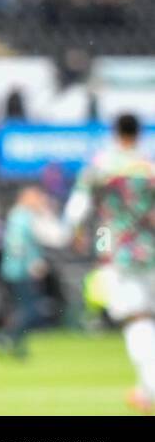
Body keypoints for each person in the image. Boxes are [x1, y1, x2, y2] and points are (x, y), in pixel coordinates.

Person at [64, 114, 155, 413]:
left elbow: (77, 207)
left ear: (116, 132)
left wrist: (75, 233)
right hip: (152, 249)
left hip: (120, 253)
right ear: (138, 133)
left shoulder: (101, 166)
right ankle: (145, 389)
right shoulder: (148, 166)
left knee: (137, 321)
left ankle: (151, 387)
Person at [0, 186, 69, 358]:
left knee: (24, 308)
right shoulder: (23, 217)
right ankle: (6, 337)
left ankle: (16, 344)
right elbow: (20, 244)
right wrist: (32, 264)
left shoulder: (19, 215)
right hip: (21, 271)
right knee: (30, 309)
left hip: (16, 270)